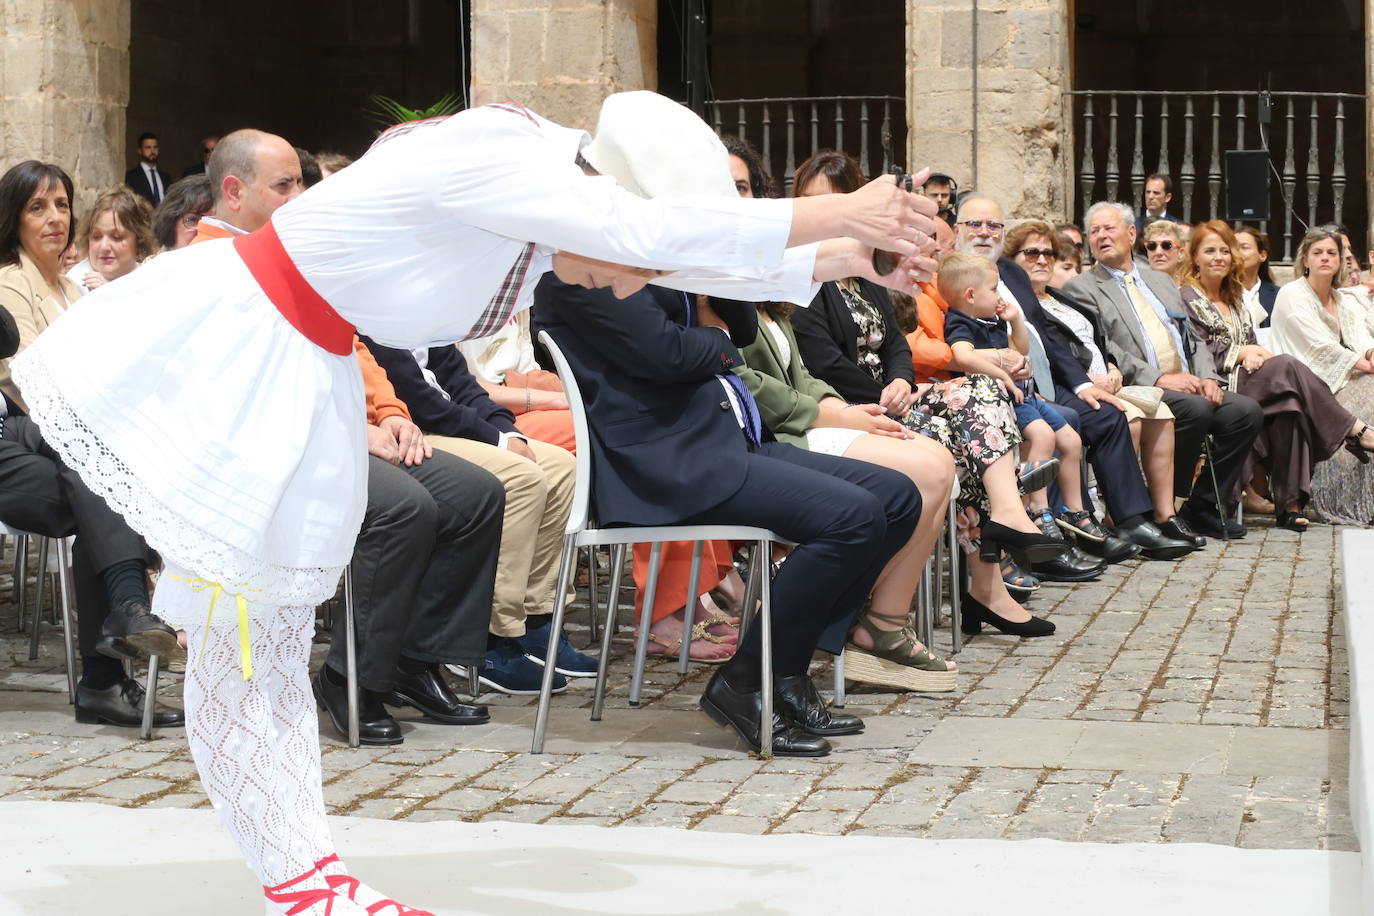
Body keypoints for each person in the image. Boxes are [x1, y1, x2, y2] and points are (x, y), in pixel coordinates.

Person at [10, 92, 942, 915]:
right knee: (248, 638)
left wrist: (837, 256)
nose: (627, 284)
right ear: (598, 194)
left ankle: (300, 871)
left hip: (300, 359)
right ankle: (301, 875)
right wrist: (839, 207)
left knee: (260, 639)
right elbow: (643, 239)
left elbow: (647, 251)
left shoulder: (530, 194)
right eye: (616, 246)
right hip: (248, 351)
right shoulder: (495, 158)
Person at [0, 161, 181, 727]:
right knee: (105, 478)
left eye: (61, 204)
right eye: (38, 207)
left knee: (102, 482)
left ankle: (113, 655)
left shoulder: (72, 286)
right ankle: (125, 619)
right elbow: (26, 376)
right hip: (30, 428)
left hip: (65, 436)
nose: (55, 218)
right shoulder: (12, 279)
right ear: (14, 219)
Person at [959, 196, 1195, 561]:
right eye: (975, 225)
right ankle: (1070, 526)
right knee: (1064, 423)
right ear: (958, 228)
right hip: (995, 388)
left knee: (1106, 414)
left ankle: (1132, 520)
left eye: (993, 226)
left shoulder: (1013, 273)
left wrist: (1084, 386)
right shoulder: (954, 272)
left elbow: (1047, 335)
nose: (984, 233)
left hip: (1046, 381)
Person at [362, 337, 597, 692]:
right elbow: (418, 399)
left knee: (563, 468)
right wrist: (497, 439)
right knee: (523, 478)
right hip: (415, 429)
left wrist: (509, 432)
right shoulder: (379, 313)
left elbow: (462, 385)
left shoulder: (428, 308)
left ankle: (534, 620)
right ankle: (489, 636)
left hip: (445, 425)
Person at [1065, 201, 1263, 540]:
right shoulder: (1082, 288)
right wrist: (1158, 378)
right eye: (1094, 231)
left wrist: (1207, 378)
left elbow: (1193, 338)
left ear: (1130, 234)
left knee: (1245, 412)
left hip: (1189, 380)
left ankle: (1200, 505)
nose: (1101, 236)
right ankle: (1164, 506)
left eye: (1108, 228)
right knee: (1194, 409)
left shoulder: (1160, 280)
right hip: (1139, 385)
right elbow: (1105, 348)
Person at [1179, 221, 1370, 532]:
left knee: (1290, 407)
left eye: (1225, 251)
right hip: (1215, 381)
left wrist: (1253, 352)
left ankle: (1290, 507)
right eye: (1209, 251)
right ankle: (1354, 431)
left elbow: (1251, 340)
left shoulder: (1236, 298)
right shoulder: (1186, 297)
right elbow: (1192, 347)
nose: (1218, 257)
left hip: (1251, 380)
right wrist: (1242, 353)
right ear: (1195, 257)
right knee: (1287, 366)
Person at [939, 252, 1101, 582]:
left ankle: (1074, 510)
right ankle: (1036, 509)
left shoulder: (991, 318)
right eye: (994, 289)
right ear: (971, 294)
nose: (1000, 296)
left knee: (1070, 436)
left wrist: (1014, 321)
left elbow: (1020, 349)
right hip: (1000, 400)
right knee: (1043, 436)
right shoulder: (960, 321)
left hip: (1024, 394)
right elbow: (963, 356)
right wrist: (1005, 375)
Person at [1018, 226, 1181, 537]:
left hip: (1098, 379)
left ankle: (1155, 516)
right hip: (1056, 387)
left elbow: (1095, 339)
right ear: (1012, 263)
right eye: (1031, 253)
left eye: (1048, 253)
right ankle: (1100, 519)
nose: (1042, 259)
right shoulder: (1022, 305)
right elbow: (1055, 355)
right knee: (1115, 417)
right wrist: (1087, 380)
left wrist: (1111, 363)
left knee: (1156, 414)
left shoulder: (1060, 297)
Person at [1268, 227, 1374, 525]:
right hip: (1305, 381)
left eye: (1331, 253)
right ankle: (1348, 497)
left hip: (1345, 375)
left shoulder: (1342, 300)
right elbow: (1317, 346)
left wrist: (1369, 354)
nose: (1325, 258)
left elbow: (1360, 337)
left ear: (1341, 260)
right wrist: (1362, 364)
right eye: (1318, 253)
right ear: (1305, 259)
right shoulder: (1292, 294)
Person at [194, 128, 304, 241]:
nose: (298, 196)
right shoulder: (207, 257)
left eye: (299, 182)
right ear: (234, 193)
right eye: (282, 184)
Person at [66, 185, 156, 295]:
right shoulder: (74, 284)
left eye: (116, 237)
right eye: (96, 237)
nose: (104, 247)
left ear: (139, 240)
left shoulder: (151, 280)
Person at [151, 175, 214, 251]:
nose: (205, 229)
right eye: (193, 220)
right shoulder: (155, 263)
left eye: (214, 221)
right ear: (169, 225)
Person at [1235, 225, 1280, 329]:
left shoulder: (1279, 295)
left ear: (1262, 255)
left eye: (1244, 247)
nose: (1237, 253)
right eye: (1233, 248)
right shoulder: (1221, 294)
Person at [124, 131, 172, 206]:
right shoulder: (131, 177)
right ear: (139, 151)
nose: (152, 151)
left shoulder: (166, 177)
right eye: (148, 147)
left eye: (155, 147)